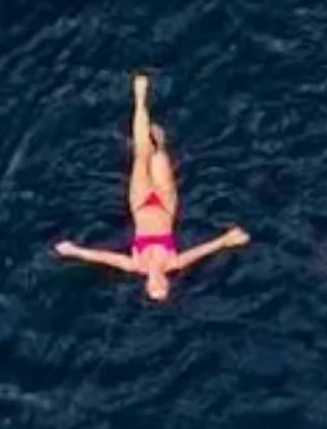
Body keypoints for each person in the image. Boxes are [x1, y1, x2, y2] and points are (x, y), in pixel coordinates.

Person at [54, 73, 249, 302]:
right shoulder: (173, 262)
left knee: (141, 152)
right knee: (158, 155)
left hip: (140, 203)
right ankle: (162, 142)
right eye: (162, 288)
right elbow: (204, 249)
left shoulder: (136, 264)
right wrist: (228, 239)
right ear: (167, 283)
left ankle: (139, 98)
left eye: (153, 288)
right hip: (165, 204)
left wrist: (74, 251)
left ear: (147, 285)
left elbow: (102, 257)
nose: (157, 284)